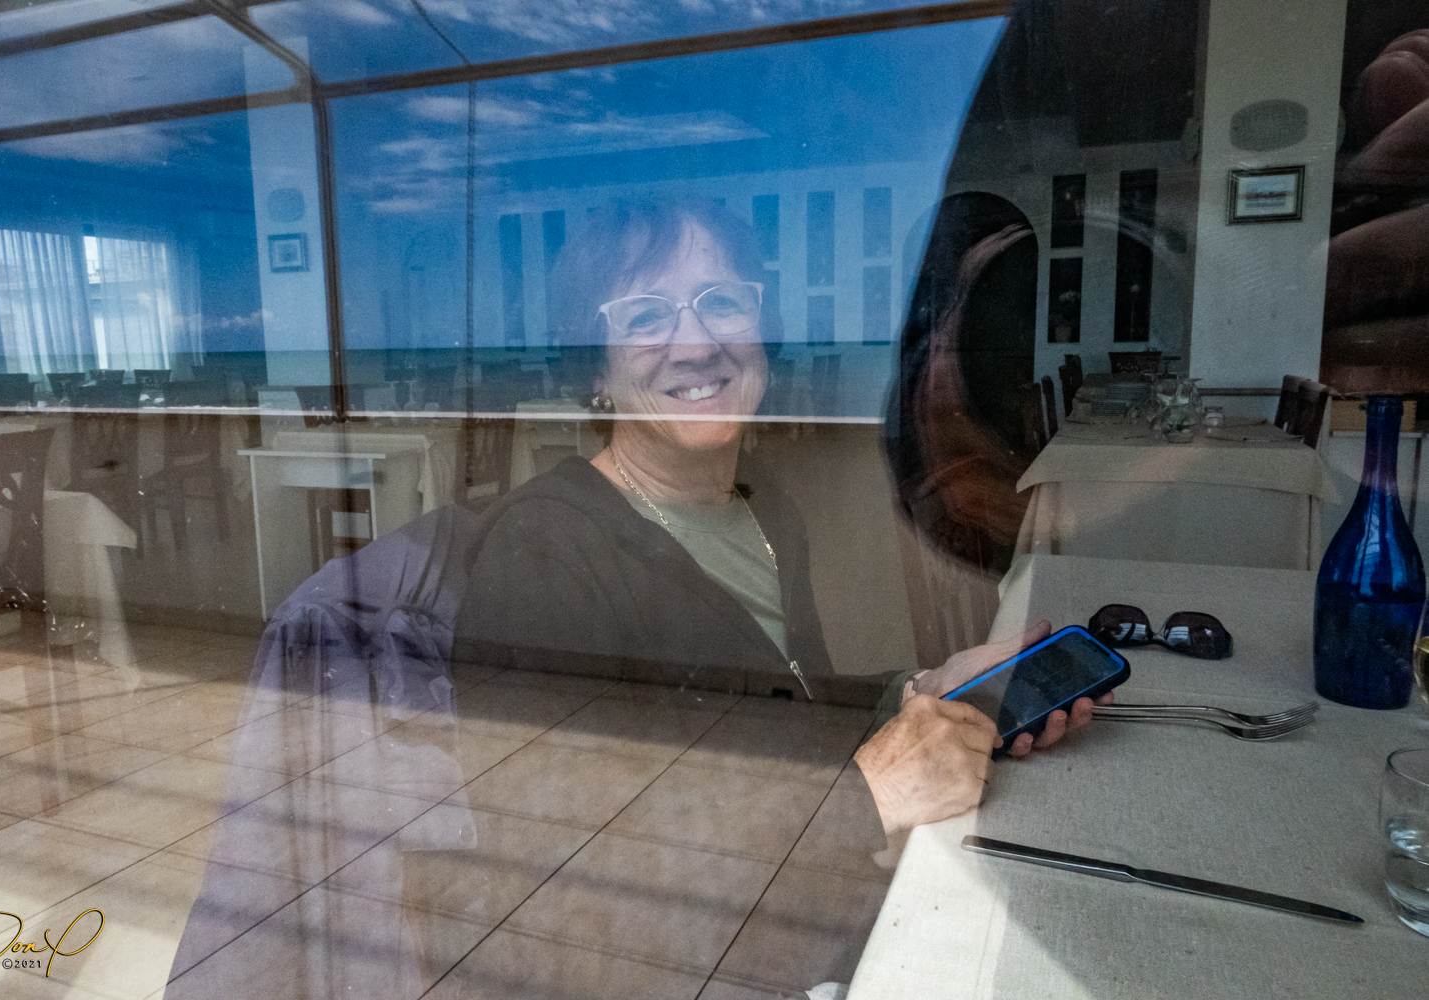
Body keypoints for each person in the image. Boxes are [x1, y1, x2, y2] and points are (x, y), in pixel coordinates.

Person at [451, 198, 1104, 834]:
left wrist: (923, 689)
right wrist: (867, 796)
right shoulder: (541, 556)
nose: (697, 344)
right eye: (646, 316)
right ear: (595, 368)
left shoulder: (762, 509)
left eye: (722, 303)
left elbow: (794, 705)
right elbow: (548, 846)